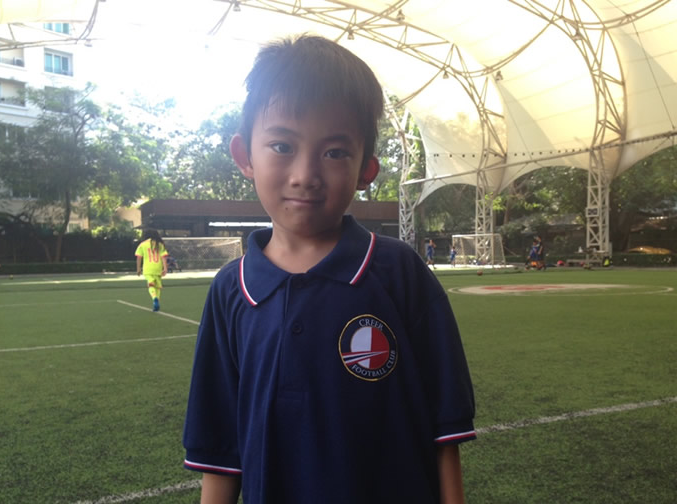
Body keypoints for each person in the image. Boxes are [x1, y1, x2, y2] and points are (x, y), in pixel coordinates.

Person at [182, 35, 476, 504]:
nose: (305, 175)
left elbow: (444, 429)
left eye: (335, 152)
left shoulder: (398, 273)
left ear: (366, 170)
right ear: (244, 157)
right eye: (282, 145)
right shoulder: (231, 291)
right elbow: (219, 452)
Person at [134, 229, 168, 311]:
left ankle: (154, 298)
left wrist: (138, 268)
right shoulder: (160, 244)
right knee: (158, 287)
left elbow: (139, 257)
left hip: (148, 268)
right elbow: (163, 257)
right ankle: (157, 301)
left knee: (151, 285)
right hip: (158, 268)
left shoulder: (143, 244)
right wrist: (165, 268)